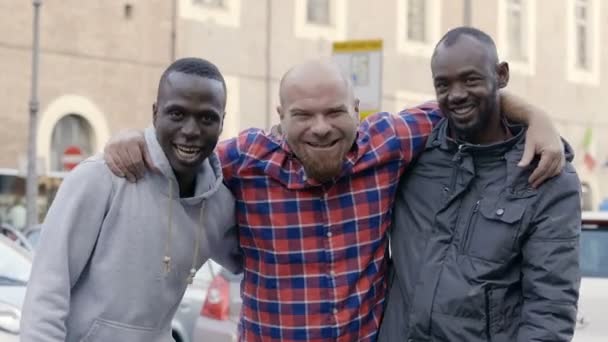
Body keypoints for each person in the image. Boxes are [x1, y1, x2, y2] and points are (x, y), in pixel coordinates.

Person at [104, 59, 564, 341]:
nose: (320, 127)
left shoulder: (389, 142)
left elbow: (465, 98)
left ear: (357, 110)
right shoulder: (244, 159)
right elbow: (183, 150)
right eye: (302, 114)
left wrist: (537, 117)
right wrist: (136, 138)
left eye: (335, 112)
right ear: (279, 117)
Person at [378, 27, 581, 342]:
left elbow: (549, 312)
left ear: (501, 75)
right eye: (443, 84)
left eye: (470, 79)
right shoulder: (412, 152)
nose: (456, 94)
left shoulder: (546, 176)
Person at [20, 57, 241, 342]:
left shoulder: (220, 205)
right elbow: (46, 295)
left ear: (222, 122)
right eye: (176, 114)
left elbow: (255, 260)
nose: (191, 130)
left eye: (207, 118)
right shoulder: (100, 179)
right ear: (155, 113)